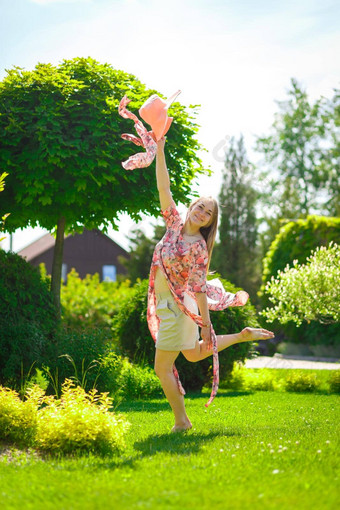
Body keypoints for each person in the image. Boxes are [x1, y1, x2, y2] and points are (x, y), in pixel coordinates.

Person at [147, 137, 274, 432]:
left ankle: (182, 422)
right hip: (169, 305)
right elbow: (163, 187)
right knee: (192, 354)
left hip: (180, 308)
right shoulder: (173, 225)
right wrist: (161, 150)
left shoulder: (199, 248)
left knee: (162, 367)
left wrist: (206, 325)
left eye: (208, 214)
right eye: (200, 207)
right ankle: (241, 336)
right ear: (192, 206)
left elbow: (200, 288)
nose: (202, 213)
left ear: (208, 223)